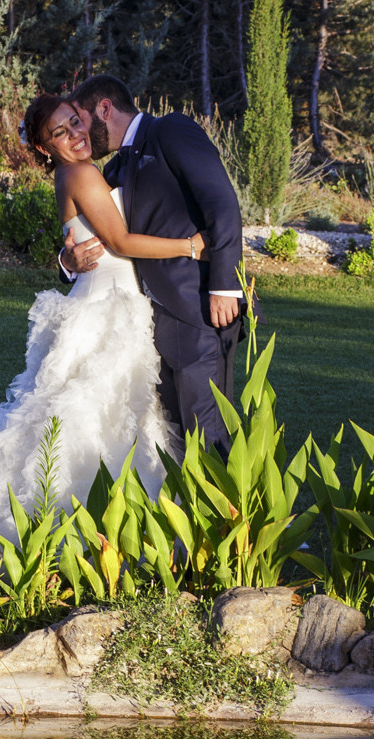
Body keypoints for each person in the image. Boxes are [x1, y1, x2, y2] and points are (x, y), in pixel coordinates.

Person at [0, 91, 202, 543]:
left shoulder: (86, 172)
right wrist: (191, 246)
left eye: (75, 121)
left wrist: (69, 259)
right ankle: (78, 530)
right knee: (91, 417)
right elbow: (122, 241)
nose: (75, 135)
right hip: (107, 311)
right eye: (60, 132)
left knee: (117, 417)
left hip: (112, 301)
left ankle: (115, 528)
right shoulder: (81, 173)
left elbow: (92, 241)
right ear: (45, 149)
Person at [56, 74, 247, 454]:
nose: (77, 134)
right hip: (147, 324)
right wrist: (66, 260)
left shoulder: (171, 130)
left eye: (78, 119)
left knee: (206, 428)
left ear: (104, 109)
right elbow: (94, 234)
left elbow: (222, 203)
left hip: (200, 310)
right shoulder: (110, 170)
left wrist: (225, 286)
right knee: (173, 434)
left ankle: (230, 513)